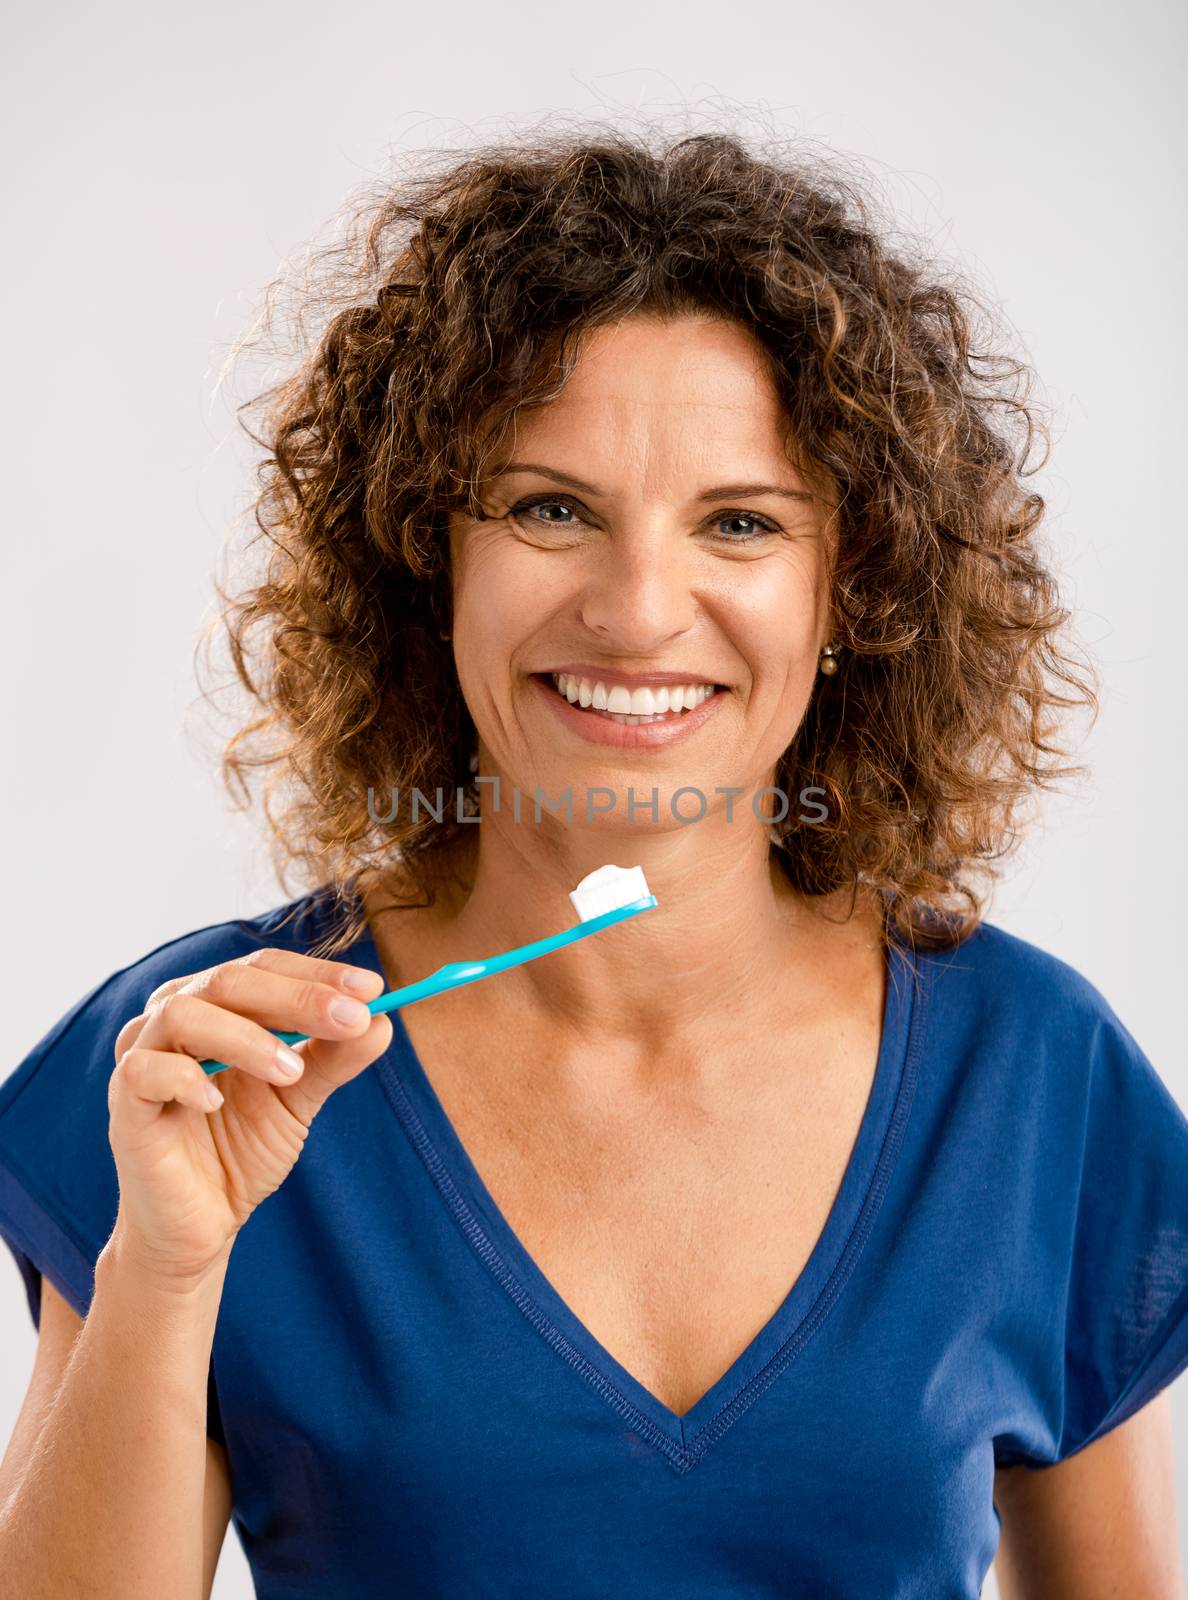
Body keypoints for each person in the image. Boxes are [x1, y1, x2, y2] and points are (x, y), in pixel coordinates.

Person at [0, 125, 1185, 1600]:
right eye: (551, 509)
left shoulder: (1033, 1078)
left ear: (851, 594)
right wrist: (163, 1271)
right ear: (426, 554)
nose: (635, 613)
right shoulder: (207, 1061)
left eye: (740, 524)